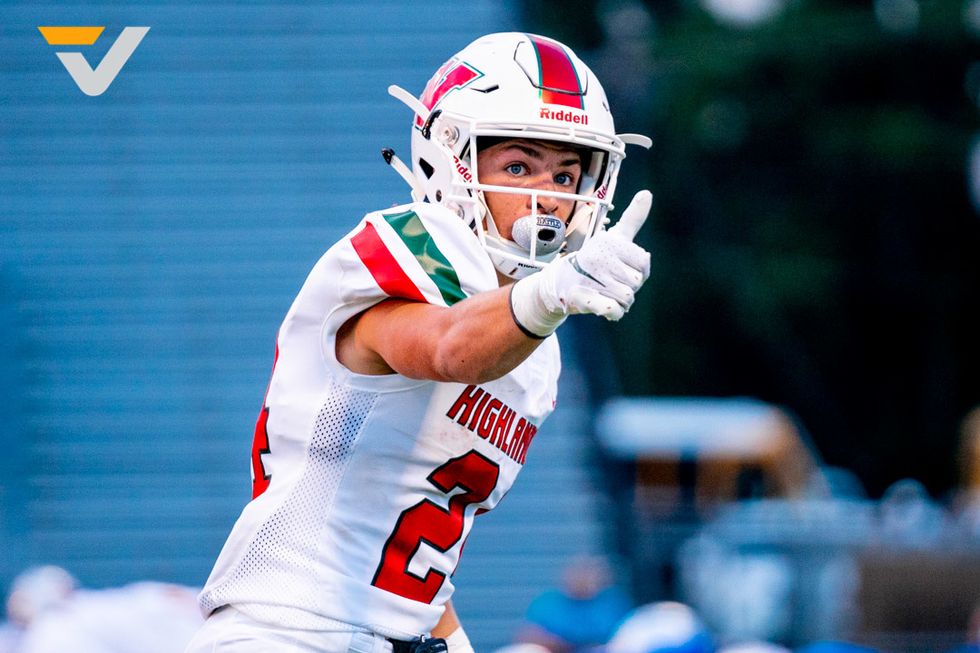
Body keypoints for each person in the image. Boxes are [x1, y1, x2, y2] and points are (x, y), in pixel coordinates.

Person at [185, 31, 653, 653]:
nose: (548, 197)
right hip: (284, 630)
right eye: (518, 167)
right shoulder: (414, 244)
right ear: (450, 158)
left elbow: (413, 537)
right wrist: (547, 296)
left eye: (566, 174)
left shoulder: (535, 346)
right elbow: (447, 347)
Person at [517, 555, 632, 653]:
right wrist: (566, 645)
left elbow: (626, 637)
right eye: (577, 573)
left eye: (587, 573)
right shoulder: (547, 602)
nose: (581, 578)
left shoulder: (612, 602)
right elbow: (527, 636)